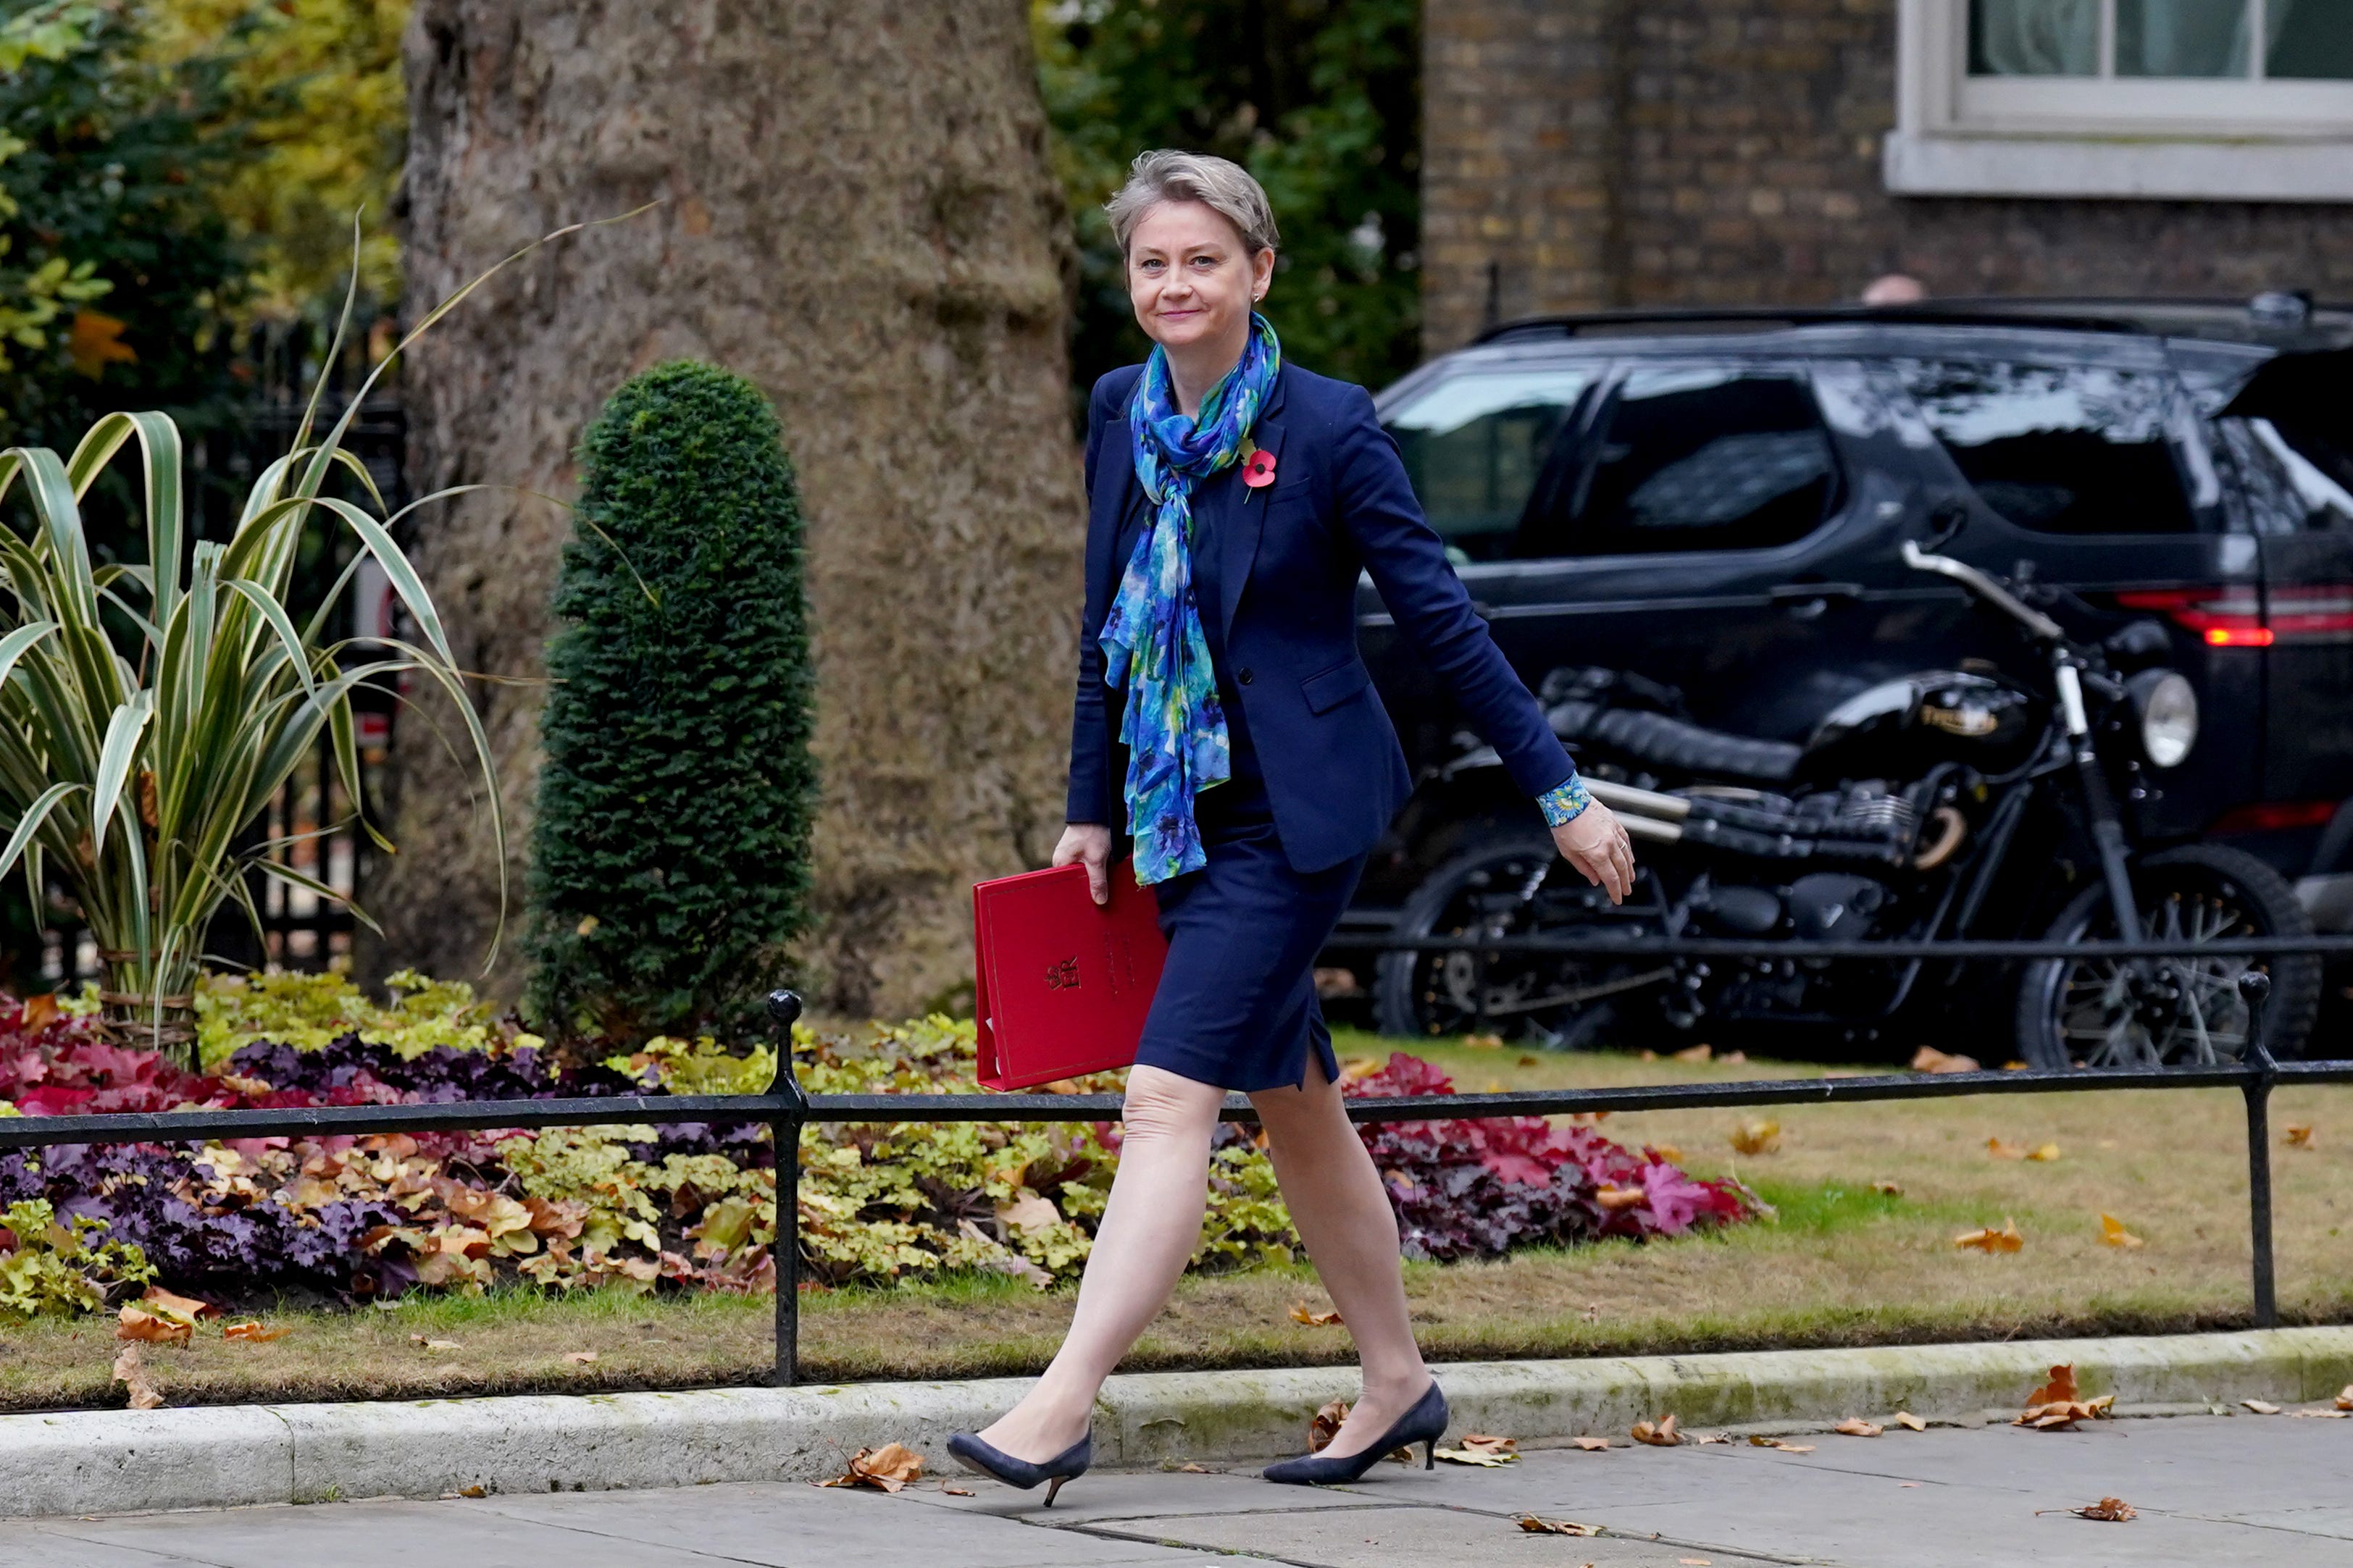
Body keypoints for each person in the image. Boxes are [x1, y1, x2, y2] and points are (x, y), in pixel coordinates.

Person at [947, 150, 1633, 1503]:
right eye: (1153, 261)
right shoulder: (1118, 415)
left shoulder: (1329, 427)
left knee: (1164, 1099)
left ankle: (1057, 1404)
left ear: (1258, 272)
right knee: (1299, 1106)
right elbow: (1106, 631)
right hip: (1175, 818)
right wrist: (1090, 806)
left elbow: (1442, 620)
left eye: (1204, 259)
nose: (1175, 283)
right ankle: (1396, 1381)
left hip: (1299, 817)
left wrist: (1560, 790)